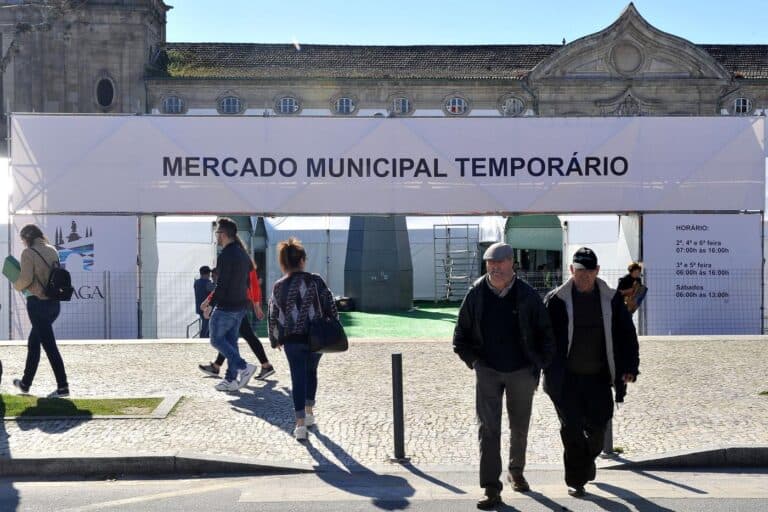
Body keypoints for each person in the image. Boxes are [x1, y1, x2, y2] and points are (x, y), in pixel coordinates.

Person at [452, 242, 556, 510]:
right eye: (490, 263)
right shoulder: (476, 294)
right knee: (488, 430)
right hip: (487, 370)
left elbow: (546, 334)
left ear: (512, 263)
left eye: (499, 263)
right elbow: (459, 336)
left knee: (519, 427)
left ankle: (516, 470)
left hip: (522, 370)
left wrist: (538, 366)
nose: (495, 268)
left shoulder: (528, 296)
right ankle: (490, 488)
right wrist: (474, 362)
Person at [543, 247, 640, 498]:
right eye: (579, 271)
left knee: (598, 429)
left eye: (589, 271)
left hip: (599, 378)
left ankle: (588, 460)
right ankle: (577, 480)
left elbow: (626, 335)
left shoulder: (611, 298)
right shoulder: (556, 300)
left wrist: (629, 367)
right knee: (571, 429)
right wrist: (541, 367)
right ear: (571, 270)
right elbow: (543, 338)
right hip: (566, 380)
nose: (584, 276)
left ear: (597, 271)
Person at [268, 237, 338, 441]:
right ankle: (309, 413)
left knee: (297, 377)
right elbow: (330, 305)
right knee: (311, 372)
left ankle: (299, 426)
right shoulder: (315, 281)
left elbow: (274, 314)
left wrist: (275, 339)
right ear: (302, 260)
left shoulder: (279, 286)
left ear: (283, 263)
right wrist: (333, 323)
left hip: (291, 339)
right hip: (316, 337)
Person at [12, 224, 70, 398]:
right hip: (54, 304)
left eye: (23, 240)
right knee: (33, 343)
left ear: (27, 238)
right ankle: (25, 384)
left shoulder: (28, 253)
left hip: (38, 304)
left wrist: (16, 284)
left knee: (49, 346)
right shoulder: (52, 250)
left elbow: (26, 278)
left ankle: (63, 385)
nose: (23, 243)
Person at [199, 252, 275, 380]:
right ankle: (217, 366)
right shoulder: (239, 264)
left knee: (238, 337)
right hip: (238, 306)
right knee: (233, 337)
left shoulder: (243, 265)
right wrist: (208, 301)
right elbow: (224, 287)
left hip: (238, 306)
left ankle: (261, 366)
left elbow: (252, 286)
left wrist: (256, 305)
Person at [207, 217, 258, 392]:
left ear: (223, 234)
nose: (216, 236)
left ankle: (244, 367)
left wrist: (210, 304)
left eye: (217, 233)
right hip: (240, 306)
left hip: (226, 307)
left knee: (216, 340)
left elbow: (222, 284)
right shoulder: (243, 254)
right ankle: (231, 380)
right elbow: (246, 282)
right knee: (231, 342)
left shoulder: (226, 256)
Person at [194, 265, 215, 338]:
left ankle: (204, 338)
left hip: (199, 306)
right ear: (208, 274)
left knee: (205, 324)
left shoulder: (196, 283)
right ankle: (203, 339)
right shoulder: (208, 283)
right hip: (206, 308)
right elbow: (215, 291)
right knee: (206, 326)